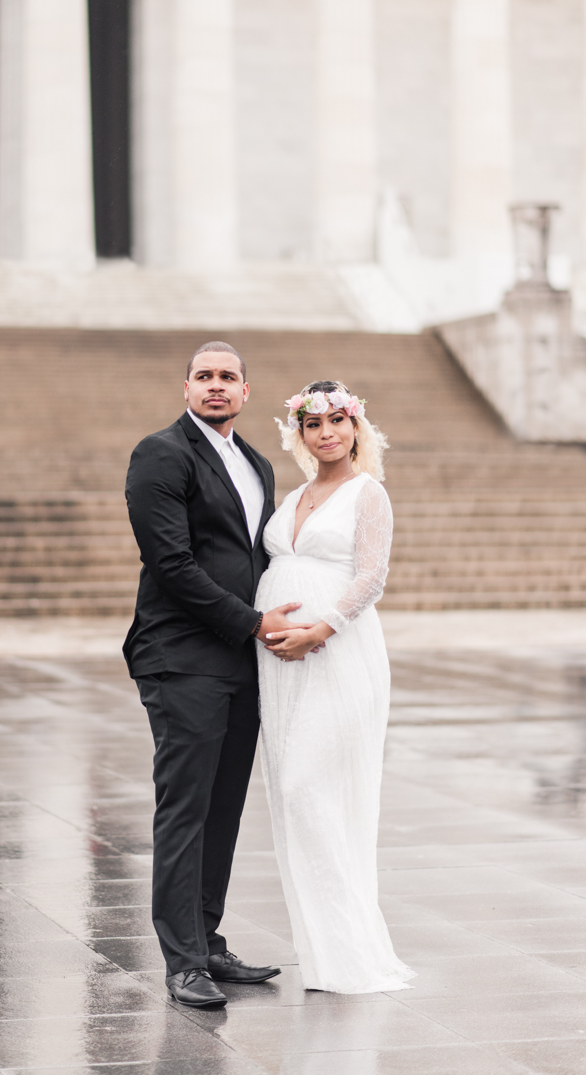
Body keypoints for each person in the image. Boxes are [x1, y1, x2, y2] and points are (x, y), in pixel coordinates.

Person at [124, 342, 307, 1008]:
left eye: (228, 377)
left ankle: (207, 937)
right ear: (186, 388)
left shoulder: (256, 462)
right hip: (181, 655)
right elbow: (172, 565)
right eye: (205, 376)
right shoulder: (161, 455)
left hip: (241, 661)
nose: (217, 386)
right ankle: (181, 961)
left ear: (246, 391)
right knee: (185, 805)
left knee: (224, 804)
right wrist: (254, 621)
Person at [255, 381, 415, 993]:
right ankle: (326, 955)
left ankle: (352, 951)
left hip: (339, 653)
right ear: (299, 433)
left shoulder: (366, 493)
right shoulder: (294, 494)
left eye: (336, 422)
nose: (326, 433)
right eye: (313, 423)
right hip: (280, 663)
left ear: (356, 429)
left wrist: (319, 629)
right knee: (291, 793)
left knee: (306, 787)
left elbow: (372, 576)